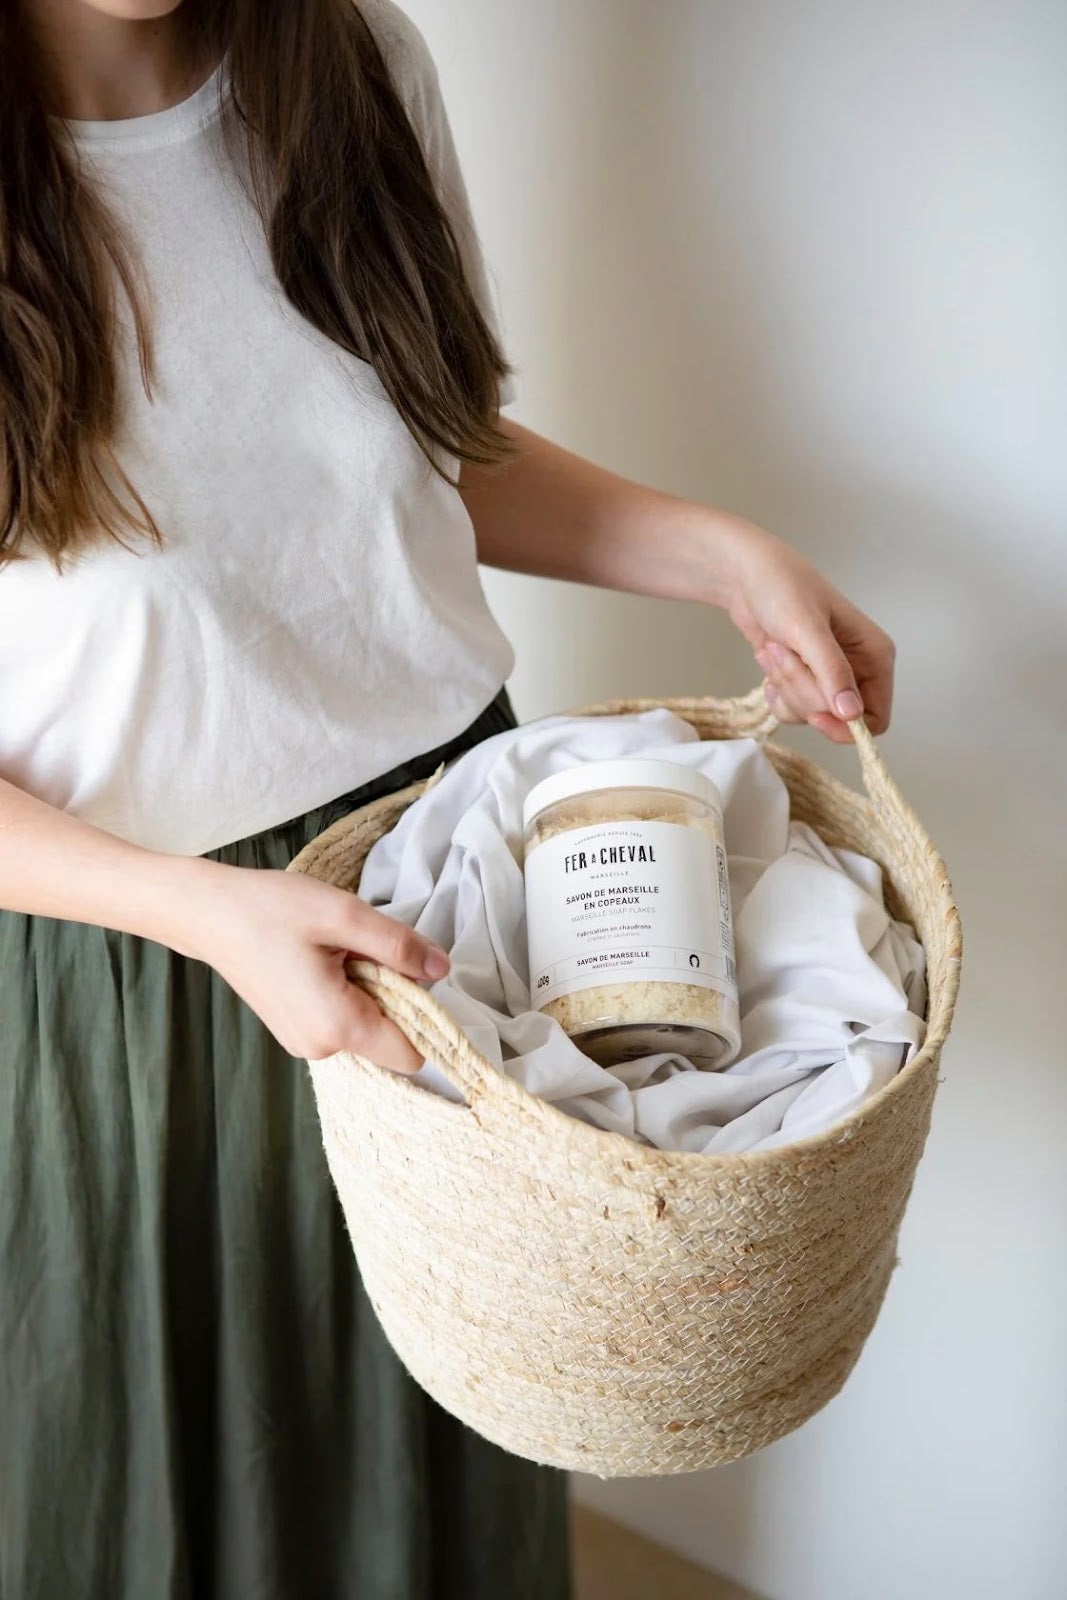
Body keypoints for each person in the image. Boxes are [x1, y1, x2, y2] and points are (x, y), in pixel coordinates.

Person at [0, 1, 896, 1596]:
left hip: (454, 899)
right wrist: (203, 914)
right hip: (139, 965)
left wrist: (724, 554)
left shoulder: (351, 65)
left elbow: (428, 447)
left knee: (450, 1437)